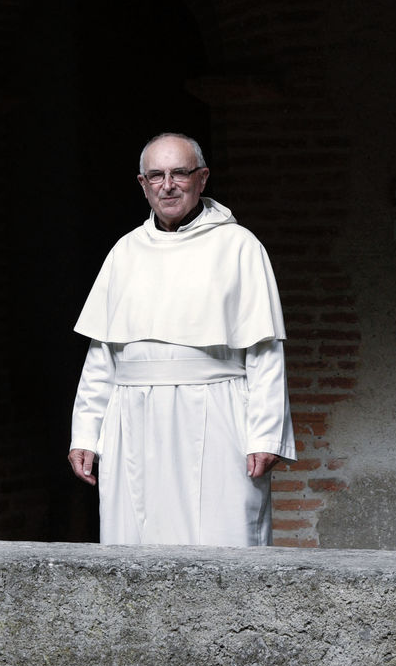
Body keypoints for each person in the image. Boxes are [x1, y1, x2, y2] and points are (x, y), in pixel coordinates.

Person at [66, 133, 295, 545]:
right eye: (156, 175)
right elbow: (102, 356)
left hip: (219, 414)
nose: (167, 185)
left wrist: (265, 436)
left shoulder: (239, 246)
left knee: (223, 541)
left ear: (202, 178)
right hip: (133, 419)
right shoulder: (125, 252)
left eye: (180, 173)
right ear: (143, 184)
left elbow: (265, 353)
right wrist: (84, 434)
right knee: (134, 542)